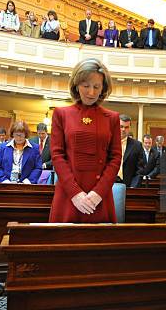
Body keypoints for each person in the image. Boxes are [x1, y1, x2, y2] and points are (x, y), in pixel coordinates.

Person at [49, 58, 122, 223]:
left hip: (100, 198)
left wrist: (98, 194)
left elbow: (115, 158)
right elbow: (57, 155)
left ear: (103, 88)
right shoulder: (61, 114)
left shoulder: (112, 118)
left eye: (97, 87)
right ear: (76, 85)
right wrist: (75, 193)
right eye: (86, 86)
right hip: (69, 196)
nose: (91, 93)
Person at [117, 114, 145, 188]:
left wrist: (134, 187)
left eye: (126, 127)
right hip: (107, 186)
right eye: (121, 126)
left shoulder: (137, 145)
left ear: (129, 128)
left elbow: (140, 170)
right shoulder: (107, 142)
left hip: (128, 186)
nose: (123, 129)